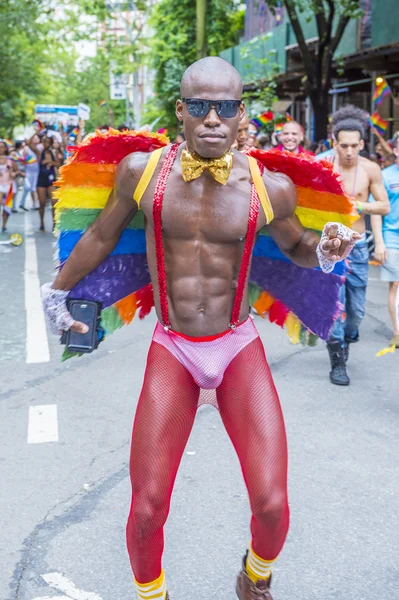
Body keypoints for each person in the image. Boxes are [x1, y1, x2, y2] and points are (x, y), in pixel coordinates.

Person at [41, 57, 359, 600]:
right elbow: (99, 234)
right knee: (146, 507)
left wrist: (325, 249)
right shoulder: (142, 173)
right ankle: (153, 594)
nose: (213, 118)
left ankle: (253, 576)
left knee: (273, 503)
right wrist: (56, 291)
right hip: (173, 349)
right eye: (201, 106)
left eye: (227, 107)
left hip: (236, 346)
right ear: (181, 112)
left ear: (242, 117)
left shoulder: (269, 188)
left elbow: (297, 247)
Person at [326, 105, 390, 386]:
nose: (349, 151)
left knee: (357, 312)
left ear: (362, 144)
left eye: (354, 145)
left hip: (358, 247)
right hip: (330, 246)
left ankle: (347, 337)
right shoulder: (324, 166)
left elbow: (385, 206)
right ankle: (337, 360)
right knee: (335, 305)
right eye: (344, 146)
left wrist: (358, 205)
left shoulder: (371, 168)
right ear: (334, 143)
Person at [371, 131, 399, 347]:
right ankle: (397, 332)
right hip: (392, 238)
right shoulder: (385, 176)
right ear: (396, 150)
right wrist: (379, 241)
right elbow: (377, 210)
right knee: (395, 285)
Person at [29, 134, 58, 230]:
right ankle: (41, 222)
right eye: (45, 142)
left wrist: (50, 162)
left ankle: (54, 223)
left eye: (48, 142)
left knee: (54, 202)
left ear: (51, 143)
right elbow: (29, 143)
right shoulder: (39, 152)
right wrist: (35, 133)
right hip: (41, 180)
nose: (46, 144)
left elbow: (58, 163)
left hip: (51, 179)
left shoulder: (53, 152)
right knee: (42, 202)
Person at [0, 140, 18, 232]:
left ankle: (4, 225)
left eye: (2, 147)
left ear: (5, 148)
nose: (0, 149)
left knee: (6, 208)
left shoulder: (10, 159)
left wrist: (14, 173)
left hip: (9, 186)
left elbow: (17, 170)